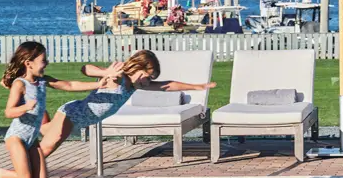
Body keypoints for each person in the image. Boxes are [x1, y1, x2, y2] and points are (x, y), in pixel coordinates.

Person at [0, 42, 114, 178]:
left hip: (31, 139)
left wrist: (97, 84)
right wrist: (26, 107)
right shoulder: (19, 84)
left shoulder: (42, 81)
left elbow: (68, 85)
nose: (46, 63)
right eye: (43, 60)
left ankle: (5, 175)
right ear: (28, 63)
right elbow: (9, 111)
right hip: (16, 137)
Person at [38, 49, 215, 163]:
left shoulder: (136, 85)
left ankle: (35, 98)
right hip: (72, 114)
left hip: (80, 120)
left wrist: (197, 86)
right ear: (138, 69)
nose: (150, 82)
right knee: (47, 148)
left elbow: (168, 85)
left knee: (45, 130)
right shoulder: (119, 77)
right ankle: (24, 171)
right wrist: (105, 72)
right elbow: (85, 68)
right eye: (148, 76)